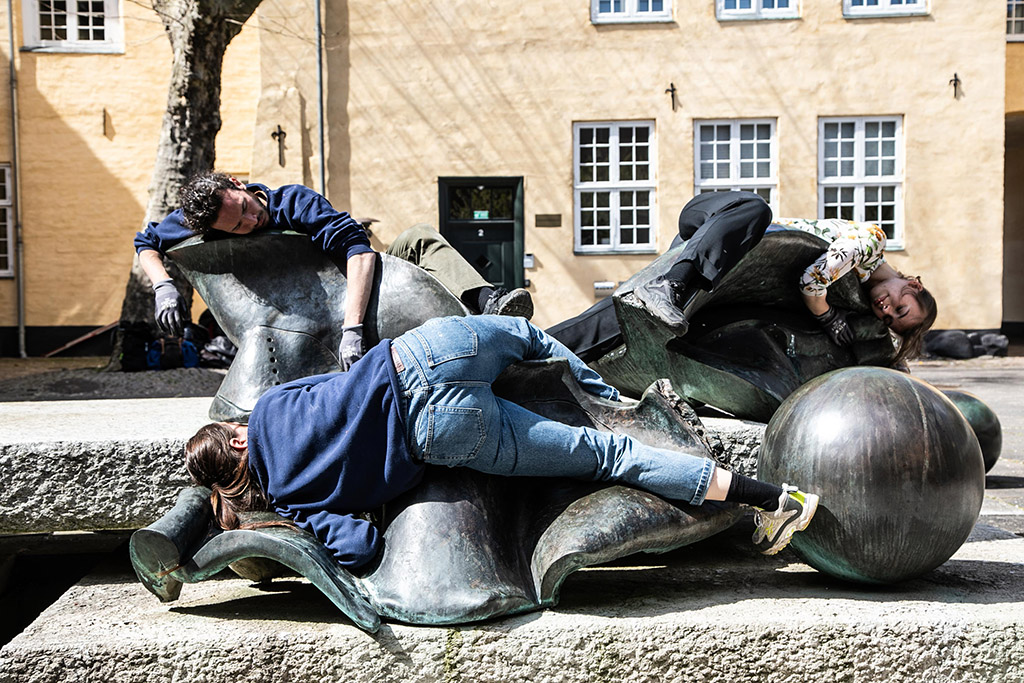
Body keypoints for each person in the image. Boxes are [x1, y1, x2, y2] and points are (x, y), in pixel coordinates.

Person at [184, 315, 819, 571]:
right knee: (528, 332)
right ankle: (612, 399)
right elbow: (339, 379)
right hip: (422, 352)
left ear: (235, 470)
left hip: (441, 427)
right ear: (237, 438)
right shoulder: (271, 403)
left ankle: (775, 499)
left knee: (609, 459)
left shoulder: (291, 495)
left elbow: (361, 547)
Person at [135, 173, 532, 369]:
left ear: (238, 184)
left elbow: (359, 253)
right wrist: (164, 286)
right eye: (236, 227)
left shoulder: (295, 202)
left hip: (358, 284)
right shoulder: (203, 219)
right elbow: (146, 244)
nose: (250, 223)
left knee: (419, 237)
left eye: (246, 209)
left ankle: (487, 302)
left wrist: (353, 330)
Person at [548, 191, 772, 362]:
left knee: (634, 317)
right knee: (756, 207)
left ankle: (527, 345)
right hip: (716, 214)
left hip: (716, 288)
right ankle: (672, 282)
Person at [774, 217, 938, 365]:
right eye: (900, 308)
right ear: (914, 285)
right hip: (767, 235)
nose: (886, 310)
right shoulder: (872, 242)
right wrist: (828, 317)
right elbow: (813, 280)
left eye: (888, 319)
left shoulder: (862, 293)